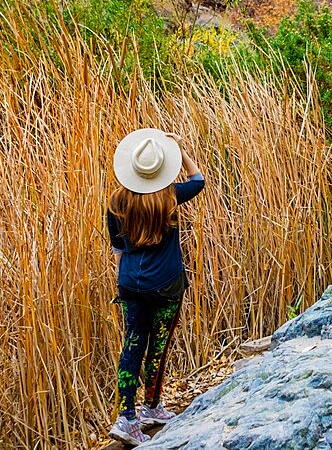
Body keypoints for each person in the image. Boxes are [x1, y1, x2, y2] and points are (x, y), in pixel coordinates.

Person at [106, 128, 205, 446]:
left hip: (131, 286)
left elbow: (118, 252)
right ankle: (151, 407)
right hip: (165, 284)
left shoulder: (117, 203)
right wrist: (179, 147)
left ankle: (127, 418)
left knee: (132, 345)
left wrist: (123, 286)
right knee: (157, 347)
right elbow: (199, 179)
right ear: (160, 168)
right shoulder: (171, 195)